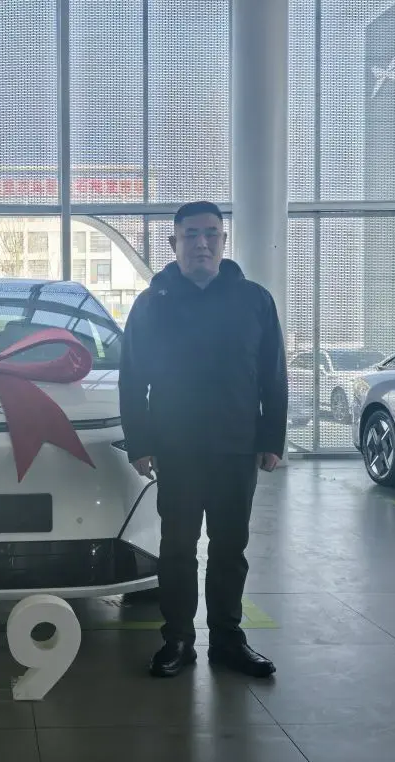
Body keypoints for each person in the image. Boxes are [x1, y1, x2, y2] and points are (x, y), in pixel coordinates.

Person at [118, 200, 288, 679]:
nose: (202, 243)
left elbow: (273, 375)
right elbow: (132, 379)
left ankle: (228, 639)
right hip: (176, 447)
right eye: (191, 235)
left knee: (230, 547)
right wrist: (140, 443)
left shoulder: (254, 301)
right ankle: (177, 639)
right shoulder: (152, 304)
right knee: (177, 548)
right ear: (174, 243)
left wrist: (271, 438)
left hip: (237, 444)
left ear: (223, 240)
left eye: (211, 233)